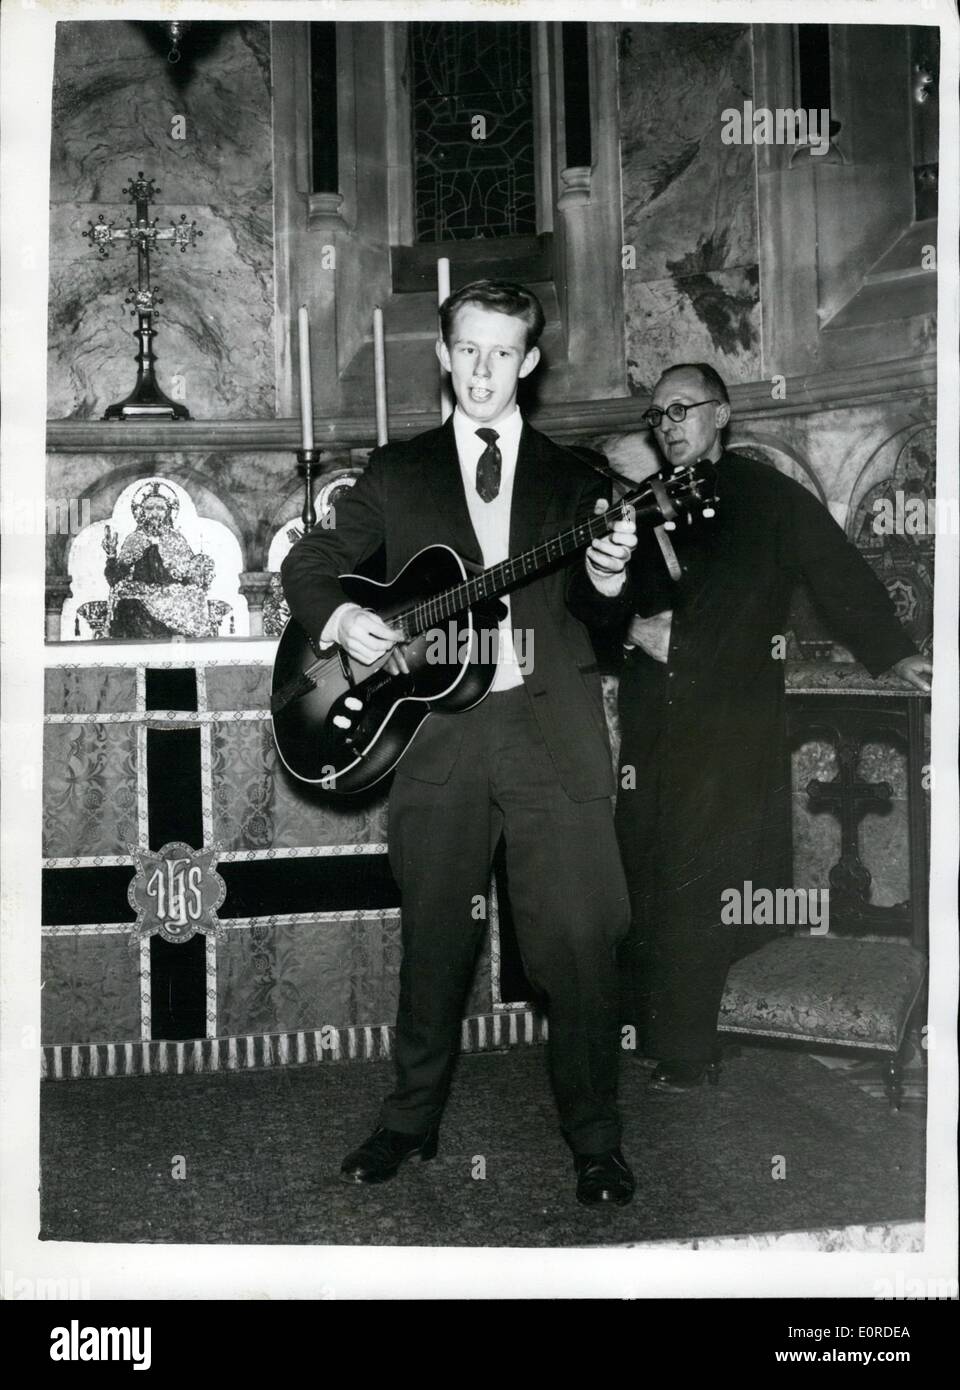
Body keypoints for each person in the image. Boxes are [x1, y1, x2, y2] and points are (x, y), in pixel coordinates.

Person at [281, 280, 640, 1205]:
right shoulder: (399, 474)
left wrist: (608, 576)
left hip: (548, 733)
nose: (484, 371)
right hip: (437, 738)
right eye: (466, 351)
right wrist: (350, 616)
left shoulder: (580, 481)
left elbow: (604, 621)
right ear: (444, 357)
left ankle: (596, 1139)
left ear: (530, 362)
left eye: (503, 353)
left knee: (581, 943)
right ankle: (409, 1123)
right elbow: (307, 564)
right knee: (436, 940)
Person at [607, 363, 932, 1092]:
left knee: (703, 874)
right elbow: (596, 599)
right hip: (651, 717)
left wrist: (896, 652)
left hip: (730, 721)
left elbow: (839, 575)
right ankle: (647, 1025)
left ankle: (688, 1048)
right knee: (645, 863)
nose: (669, 424)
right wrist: (628, 628)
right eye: (657, 415)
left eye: (683, 409)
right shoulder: (638, 505)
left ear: (721, 415)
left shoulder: (774, 500)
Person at [102, 481, 218, 638]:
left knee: (193, 599)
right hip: (140, 596)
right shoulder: (134, 540)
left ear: (168, 512)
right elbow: (115, 578)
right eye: (149, 508)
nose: (155, 513)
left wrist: (200, 572)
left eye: (160, 508)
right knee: (128, 605)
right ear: (141, 512)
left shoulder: (177, 540)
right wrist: (111, 555)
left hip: (172, 597)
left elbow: (188, 577)